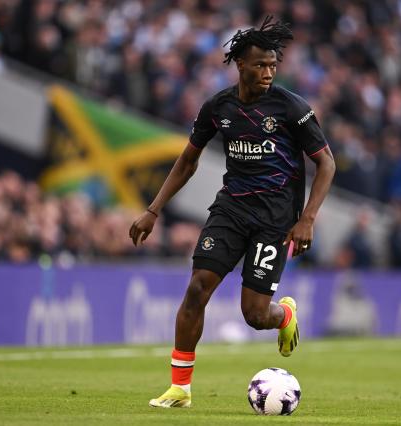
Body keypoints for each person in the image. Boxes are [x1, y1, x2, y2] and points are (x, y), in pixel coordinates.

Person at [128, 16, 335, 408]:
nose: (269, 73)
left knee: (254, 316)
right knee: (196, 288)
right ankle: (180, 389)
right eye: (261, 65)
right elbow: (187, 160)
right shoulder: (218, 107)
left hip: (275, 220)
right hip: (231, 209)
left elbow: (327, 164)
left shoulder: (292, 108)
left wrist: (307, 218)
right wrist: (153, 210)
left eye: (274, 65)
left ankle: (284, 316)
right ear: (240, 64)